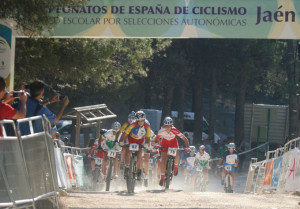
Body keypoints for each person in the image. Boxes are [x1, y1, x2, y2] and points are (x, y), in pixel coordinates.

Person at [155, 116, 189, 186]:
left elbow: (185, 139)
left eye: (169, 126)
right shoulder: (161, 131)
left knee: (177, 153)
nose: (168, 128)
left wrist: (187, 147)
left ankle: (175, 167)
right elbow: (157, 139)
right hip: (164, 145)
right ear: (164, 125)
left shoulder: (175, 130)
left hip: (173, 145)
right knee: (163, 161)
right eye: (166, 126)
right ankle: (162, 178)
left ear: (172, 126)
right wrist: (156, 144)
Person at [121, 111, 151, 181]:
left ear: (144, 120)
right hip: (131, 139)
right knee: (127, 153)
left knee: (139, 155)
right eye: (138, 121)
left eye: (142, 120)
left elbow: (148, 138)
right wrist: (122, 141)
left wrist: (147, 144)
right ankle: (127, 167)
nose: (140, 122)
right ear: (136, 120)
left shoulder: (147, 126)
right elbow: (125, 134)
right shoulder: (132, 125)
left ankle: (139, 171)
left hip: (140, 140)